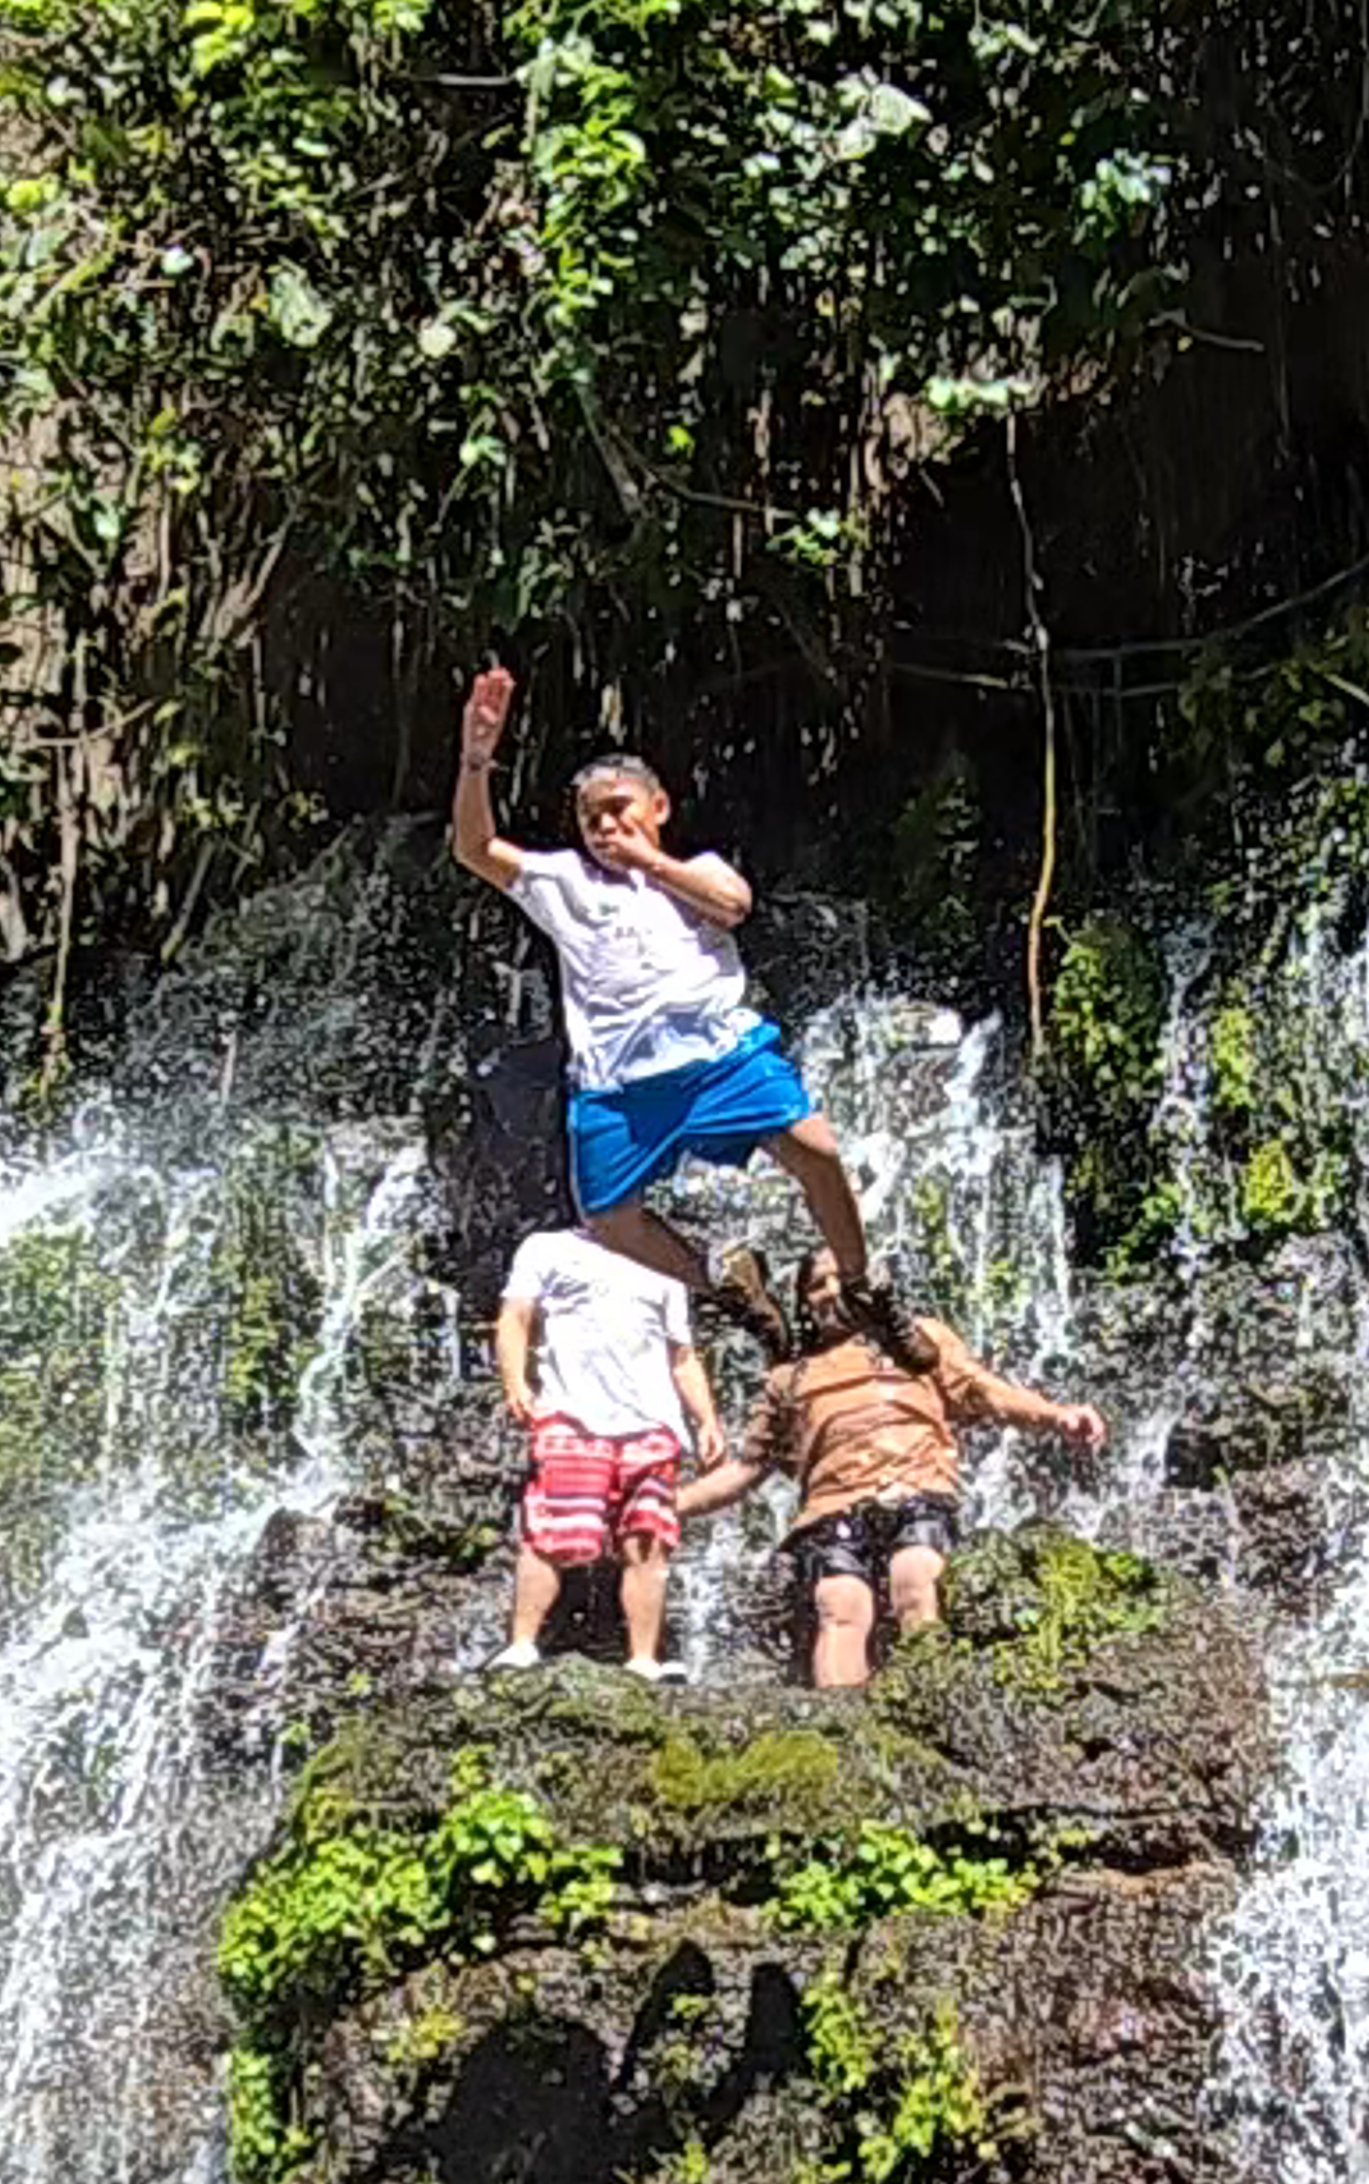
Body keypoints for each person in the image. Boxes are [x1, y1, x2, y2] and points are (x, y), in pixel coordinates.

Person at [448, 663, 871, 1304]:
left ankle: (864, 1284)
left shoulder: (694, 870)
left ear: (660, 807)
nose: (605, 827)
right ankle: (729, 1289)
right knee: (609, 1219)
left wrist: (647, 862)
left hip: (717, 1058)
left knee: (816, 1148)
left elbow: (733, 905)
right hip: (619, 1086)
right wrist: (476, 760)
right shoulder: (564, 882)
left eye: (619, 810)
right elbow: (475, 849)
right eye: (592, 819)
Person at [699, 1266, 1107, 1693]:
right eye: (816, 1284)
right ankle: (846, 1734)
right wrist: (669, 1505)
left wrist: (1057, 1415)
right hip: (831, 1510)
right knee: (839, 1606)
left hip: (917, 1492)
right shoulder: (791, 1375)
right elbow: (746, 1470)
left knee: (915, 1577)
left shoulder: (918, 1343)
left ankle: (930, 1707)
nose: (830, 1291)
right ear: (803, 1303)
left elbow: (987, 1392)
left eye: (840, 1278)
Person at [490, 1217, 721, 1675]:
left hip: (653, 1423)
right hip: (573, 1412)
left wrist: (708, 1419)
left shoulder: (663, 1261)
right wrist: (514, 1382)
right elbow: (514, 1317)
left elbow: (683, 1356)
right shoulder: (547, 1247)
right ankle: (521, 1645)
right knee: (550, 1531)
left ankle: (643, 1658)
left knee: (649, 1540)